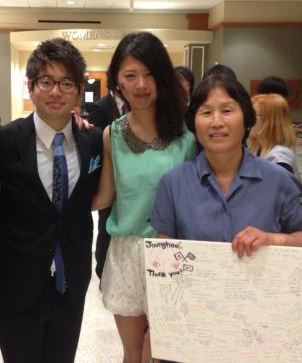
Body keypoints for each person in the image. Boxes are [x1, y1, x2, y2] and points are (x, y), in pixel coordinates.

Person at [150, 74, 302, 363]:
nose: (217, 121)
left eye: (227, 110)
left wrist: (272, 239)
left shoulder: (277, 180)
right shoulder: (173, 183)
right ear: (194, 123)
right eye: (206, 112)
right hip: (194, 329)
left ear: (246, 118)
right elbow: (165, 260)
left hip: (263, 326)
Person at [0, 38, 103, 363]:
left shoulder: (93, 141)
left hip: (71, 282)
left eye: (67, 83)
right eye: (47, 81)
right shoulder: (4, 140)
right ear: (31, 86)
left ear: (79, 90)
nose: (56, 91)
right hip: (16, 283)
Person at [92, 32, 196, 363]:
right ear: (118, 82)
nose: (141, 84)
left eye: (150, 74)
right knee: (133, 353)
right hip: (127, 251)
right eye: (131, 75)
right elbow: (106, 195)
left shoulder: (187, 134)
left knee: (165, 352)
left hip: (174, 251)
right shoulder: (113, 134)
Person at [88, 91, 126, 281]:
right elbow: (98, 145)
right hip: (110, 178)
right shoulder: (100, 107)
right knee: (106, 226)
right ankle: (102, 268)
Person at [248, 93, 299, 177]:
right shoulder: (257, 148)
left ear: (270, 121)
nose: (247, 119)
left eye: (253, 115)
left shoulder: (279, 157)